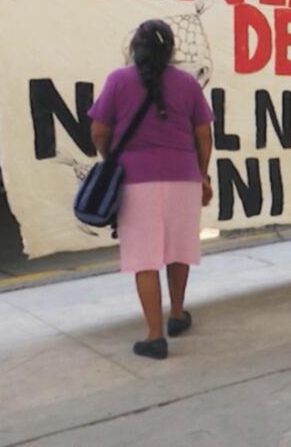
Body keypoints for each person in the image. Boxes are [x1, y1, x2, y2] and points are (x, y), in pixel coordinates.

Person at [89, 20, 214, 360]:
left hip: (135, 180)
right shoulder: (187, 83)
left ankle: (155, 336)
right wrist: (203, 176)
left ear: (135, 48)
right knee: (178, 250)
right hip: (184, 179)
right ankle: (177, 315)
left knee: (145, 259)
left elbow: (99, 130)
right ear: (171, 50)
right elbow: (204, 134)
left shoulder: (118, 80)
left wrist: (111, 159)